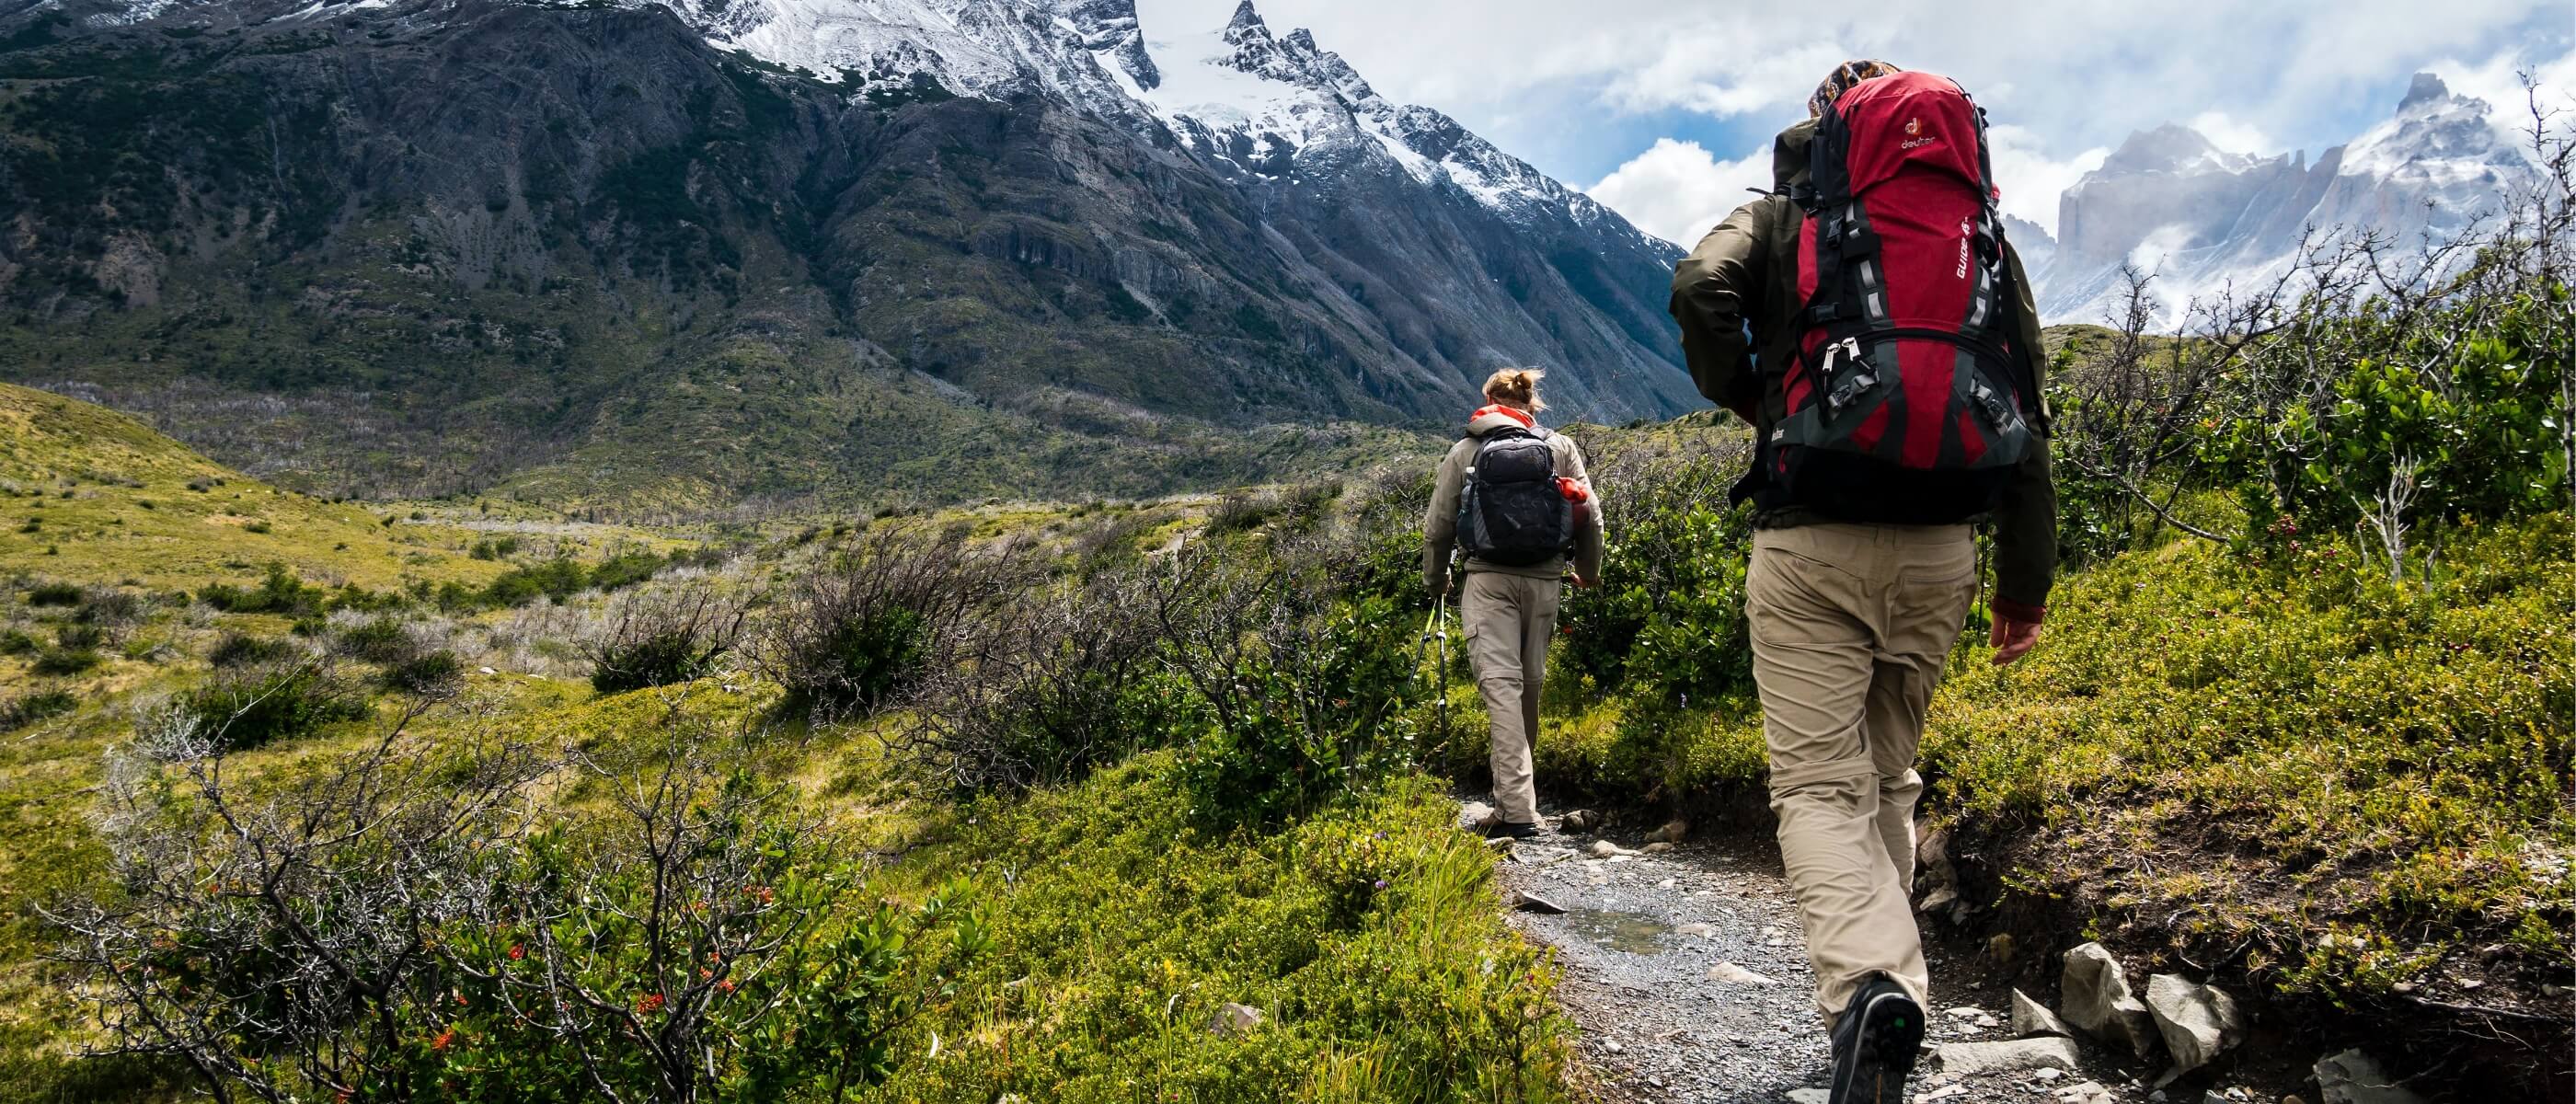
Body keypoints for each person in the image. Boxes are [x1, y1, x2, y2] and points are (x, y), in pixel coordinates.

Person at [1668, 60, 2058, 1102]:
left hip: (1813, 540)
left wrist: (1760, 399)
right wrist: (2025, 584)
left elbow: (1696, 289)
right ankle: (1901, 1001)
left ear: (1827, 127)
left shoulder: (1786, 217)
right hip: (1943, 548)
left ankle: (1870, 991)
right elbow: (2023, 403)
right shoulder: (1980, 237)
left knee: (1813, 786)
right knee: (1887, 776)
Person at [1421, 368, 1604, 840]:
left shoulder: (1466, 450)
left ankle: (1517, 809)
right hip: (1545, 581)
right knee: (1529, 685)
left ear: (1487, 400)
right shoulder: (1559, 448)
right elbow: (1591, 515)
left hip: (1488, 582)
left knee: (1500, 686)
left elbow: (1439, 525)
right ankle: (1519, 797)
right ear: (1531, 403)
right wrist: (1587, 571)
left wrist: (1437, 579)